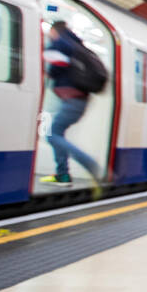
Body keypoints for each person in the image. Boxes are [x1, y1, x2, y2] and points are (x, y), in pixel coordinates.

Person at [42, 20, 103, 188]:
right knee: (56, 133)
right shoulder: (77, 45)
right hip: (76, 99)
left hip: (71, 99)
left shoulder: (60, 43)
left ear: (54, 31)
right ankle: (62, 174)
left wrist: (50, 73)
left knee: (53, 135)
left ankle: (90, 165)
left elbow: (56, 66)